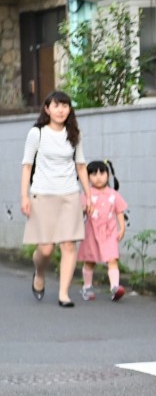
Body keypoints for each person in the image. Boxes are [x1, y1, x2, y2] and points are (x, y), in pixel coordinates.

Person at [20, 91, 91, 308]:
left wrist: (88, 195)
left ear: (70, 109)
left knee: (69, 244)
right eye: (56, 105)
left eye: (65, 106)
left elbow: (80, 165)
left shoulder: (74, 134)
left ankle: (63, 294)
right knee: (46, 249)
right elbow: (27, 166)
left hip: (69, 194)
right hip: (42, 194)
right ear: (47, 109)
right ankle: (39, 274)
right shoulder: (37, 134)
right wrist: (24, 196)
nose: (61, 110)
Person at [78, 160, 128, 302]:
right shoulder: (86, 195)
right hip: (91, 233)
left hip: (109, 232)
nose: (98, 177)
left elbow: (119, 211)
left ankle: (115, 287)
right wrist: (83, 208)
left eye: (102, 173)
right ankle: (87, 287)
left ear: (108, 175)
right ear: (87, 177)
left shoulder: (113, 194)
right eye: (93, 174)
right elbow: (80, 211)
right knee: (90, 261)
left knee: (112, 259)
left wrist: (122, 227)